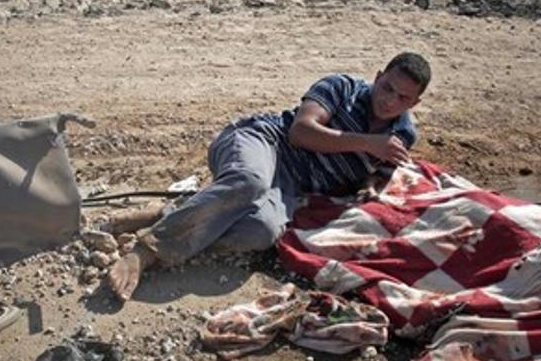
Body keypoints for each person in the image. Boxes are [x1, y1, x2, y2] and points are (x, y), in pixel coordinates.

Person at [106, 52, 431, 301]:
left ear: (414, 103)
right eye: (387, 87)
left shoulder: (402, 133)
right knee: (250, 181)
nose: (390, 100)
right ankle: (147, 252)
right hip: (264, 142)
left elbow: (382, 172)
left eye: (402, 98)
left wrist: (372, 187)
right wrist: (367, 142)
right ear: (378, 76)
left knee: (260, 232)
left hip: (291, 186)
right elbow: (301, 132)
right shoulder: (342, 87)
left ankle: (167, 214)